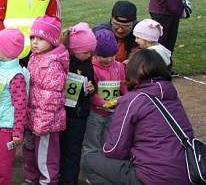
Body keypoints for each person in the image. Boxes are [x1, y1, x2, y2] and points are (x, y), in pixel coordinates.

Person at [82, 49, 194, 185]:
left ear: (136, 70)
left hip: (153, 177)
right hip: (188, 172)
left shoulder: (133, 100)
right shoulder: (171, 94)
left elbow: (114, 150)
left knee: (89, 161)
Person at [23, 16, 69, 185]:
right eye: (33, 38)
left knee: (45, 155)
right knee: (29, 149)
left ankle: (47, 181)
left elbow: (53, 96)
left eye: (40, 38)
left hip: (46, 121)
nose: (35, 42)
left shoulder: (54, 63)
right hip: (32, 115)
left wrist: (44, 122)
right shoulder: (35, 56)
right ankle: (31, 177)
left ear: (52, 40)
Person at [0, 29, 29, 185]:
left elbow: (21, 106)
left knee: (2, 165)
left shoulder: (16, 76)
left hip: (6, 128)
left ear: (7, 51)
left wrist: (17, 132)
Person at [59, 23, 97, 185]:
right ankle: (57, 177)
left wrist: (91, 88)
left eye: (91, 52)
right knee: (59, 148)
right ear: (74, 49)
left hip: (79, 116)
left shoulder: (88, 63)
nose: (89, 55)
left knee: (73, 151)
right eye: (86, 52)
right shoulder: (62, 62)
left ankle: (69, 180)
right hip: (61, 113)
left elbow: (91, 84)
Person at [81, 29, 128, 158]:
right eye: (103, 56)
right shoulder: (91, 68)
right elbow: (90, 93)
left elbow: (122, 86)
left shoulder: (119, 66)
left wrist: (126, 98)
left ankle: (103, 167)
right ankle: (91, 170)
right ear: (94, 54)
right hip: (95, 114)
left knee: (107, 140)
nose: (108, 59)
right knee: (92, 142)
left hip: (113, 113)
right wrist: (104, 103)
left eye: (112, 55)